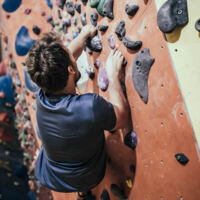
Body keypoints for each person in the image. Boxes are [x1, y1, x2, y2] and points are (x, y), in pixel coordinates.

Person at [25, 25, 129, 200]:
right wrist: (112, 76)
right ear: (71, 70)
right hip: (90, 175)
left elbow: (69, 56)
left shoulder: (42, 91)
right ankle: (84, 187)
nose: (71, 53)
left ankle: (82, 193)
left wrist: (83, 35)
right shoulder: (89, 106)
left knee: (51, 140)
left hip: (54, 176)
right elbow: (122, 118)